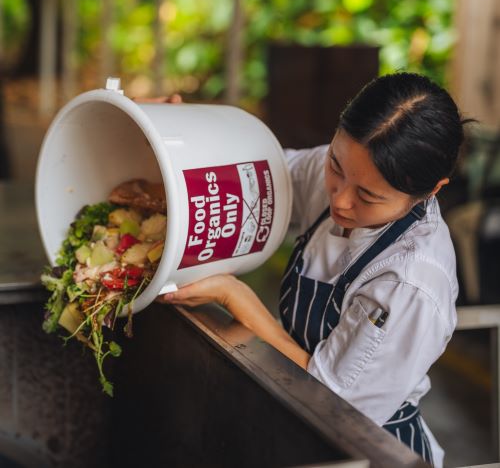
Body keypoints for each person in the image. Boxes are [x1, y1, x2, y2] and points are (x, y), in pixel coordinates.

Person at [157, 72, 469, 467]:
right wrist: (181, 144)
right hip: (293, 418)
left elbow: (334, 403)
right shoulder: (354, 170)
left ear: (433, 189)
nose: (340, 200)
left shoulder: (410, 282)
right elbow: (261, 180)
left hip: (365, 450)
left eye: (369, 196)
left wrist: (235, 296)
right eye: (335, 166)